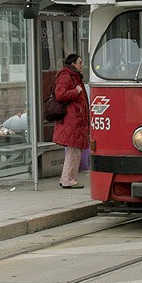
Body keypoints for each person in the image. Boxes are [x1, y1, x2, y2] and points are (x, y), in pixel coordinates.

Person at [52, 53, 89, 189]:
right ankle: (69, 180)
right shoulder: (67, 76)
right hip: (72, 119)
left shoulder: (73, 76)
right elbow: (60, 94)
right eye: (80, 62)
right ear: (73, 64)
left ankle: (67, 178)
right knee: (74, 151)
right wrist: (76, 91)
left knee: (74, 151)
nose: (82, 65)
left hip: (75, 118)